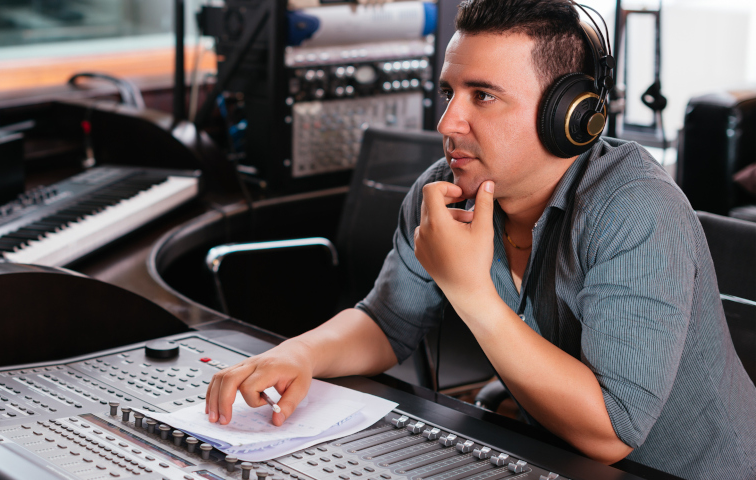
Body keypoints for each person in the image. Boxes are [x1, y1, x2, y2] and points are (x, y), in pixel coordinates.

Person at [203, 0, 756, 478]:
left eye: (482, 95)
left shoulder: (635, 209)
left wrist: (468, 290)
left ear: (569, 117)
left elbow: (612, 433)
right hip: (552, 458)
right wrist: (299, 353)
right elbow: (388, 322)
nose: (448, 121)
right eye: (449, 92)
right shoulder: (448, 188)